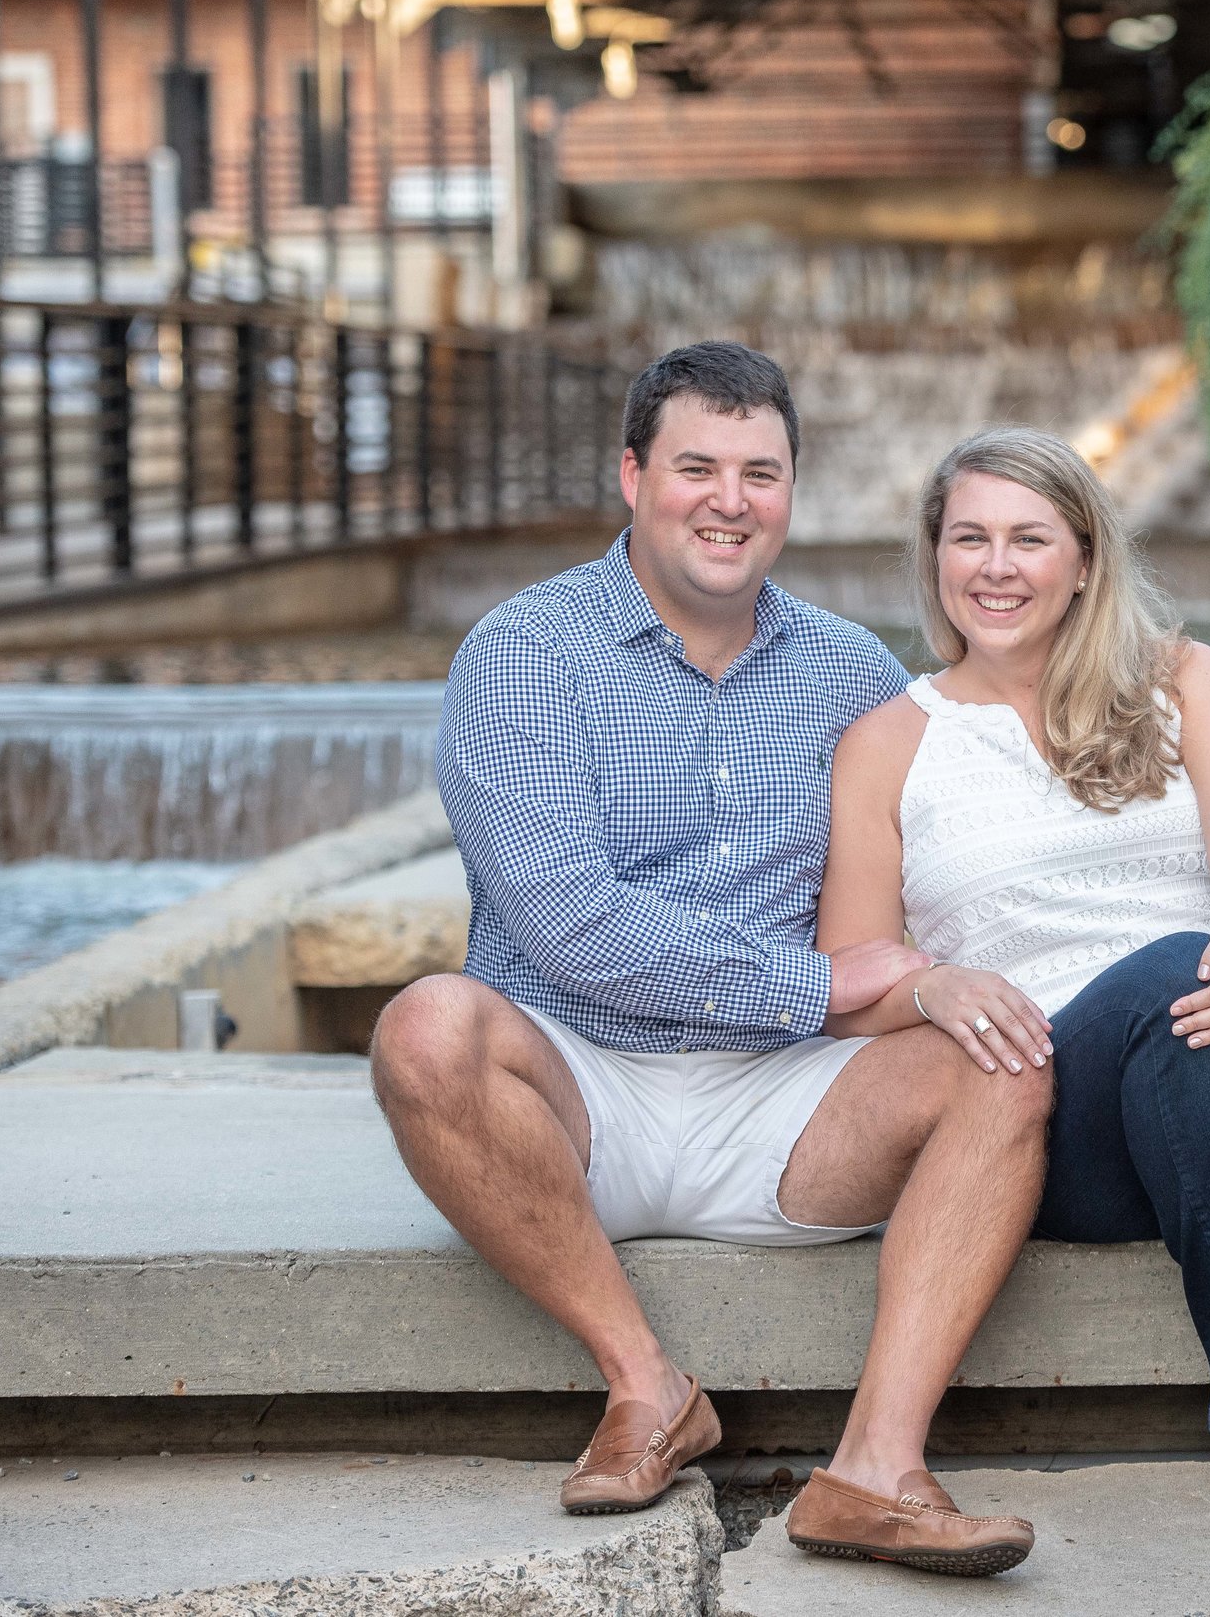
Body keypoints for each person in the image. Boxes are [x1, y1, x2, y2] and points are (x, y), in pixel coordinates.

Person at [370, 343, 1045, 1577]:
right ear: (631, 475)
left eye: (760, 472)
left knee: (998, 1056)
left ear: (792, 490)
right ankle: (647, 1388)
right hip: (580, 1091)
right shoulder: (522, 655)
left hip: (785, 1096)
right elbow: (568, 918)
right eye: (695, 467)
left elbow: (936, 865)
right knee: (424, 1024)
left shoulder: (853, 671)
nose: (729, 499)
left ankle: (873, 1473)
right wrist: (825, 981)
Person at [815, 426, 1210, 1531]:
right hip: (1074, 1121)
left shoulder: (1184, 677)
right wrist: (935, 987)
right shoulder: (888, 741)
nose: (997, 566)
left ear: (1086, 560)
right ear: (933, 557)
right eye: (969, 538)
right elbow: (847, 979)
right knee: (1163, 974)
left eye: (1028, 538)